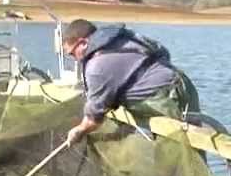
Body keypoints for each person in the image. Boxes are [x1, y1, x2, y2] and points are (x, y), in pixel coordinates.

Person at [61, 19, 199, 145]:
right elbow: (162, 51)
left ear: (83, 43)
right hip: (182, 83)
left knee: (177, 152)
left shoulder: (96, 67)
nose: (75, 59)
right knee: (191, 147)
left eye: (73, 53)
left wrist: (79, 130)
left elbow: (94, 118)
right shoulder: (123, 37)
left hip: (166, 98)